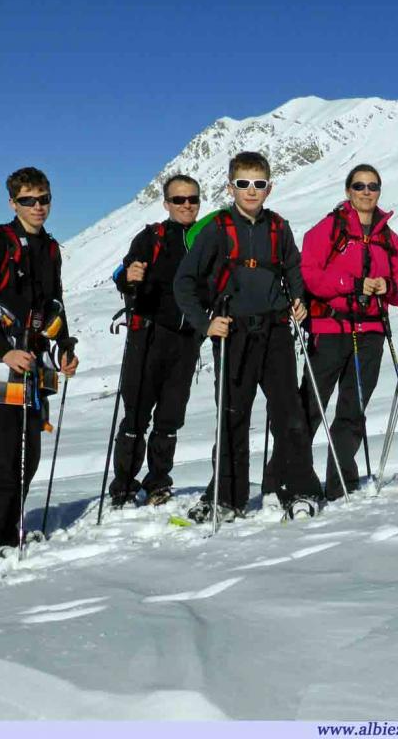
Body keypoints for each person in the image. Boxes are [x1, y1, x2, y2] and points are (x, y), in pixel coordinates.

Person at [174, 151, 321, 522]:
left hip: (275, 331)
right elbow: (185, 282)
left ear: (269, 188)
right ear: (230, 187)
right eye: (243, 184)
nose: (251, 191)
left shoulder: (278, 228)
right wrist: (205, 323)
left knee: (289, 413)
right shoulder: (217, 229)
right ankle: (227, 496)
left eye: (258, 184)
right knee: (232, 415)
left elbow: (293, 269)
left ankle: (299, 489)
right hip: (234, 332)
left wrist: (299, 301)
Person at [0, 167, 78, 567]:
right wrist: (6, 350)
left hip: (32, 354)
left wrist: (64, 347)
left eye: (43, 199)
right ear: (13, 203)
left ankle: (6, 531)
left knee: (27, 451)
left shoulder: (51, 249)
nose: (37, 207)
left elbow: (53, 304)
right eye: (28, 200)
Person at [300, 165, 398, 499]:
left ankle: (341, 484)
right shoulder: (327, 229)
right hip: (330, 328)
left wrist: (386, 286)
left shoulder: (388, 238)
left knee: (353, 409)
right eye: (359, 186)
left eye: (373, 186)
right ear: (348, 190)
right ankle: (290, 479)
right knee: (310, 407)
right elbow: (310, 276)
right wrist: (352, 284)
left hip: (371, 332)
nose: (366, 192)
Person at [107, 174, 206, 508]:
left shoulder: (206, 239)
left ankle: (158, 482)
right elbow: (123, 274)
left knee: (170, 416)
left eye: (192, 199)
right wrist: (129, 276)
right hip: (148, 335)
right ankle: (123, 484)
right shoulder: (151, 237)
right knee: (136, 414)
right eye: (179, 200)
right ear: (167, 204)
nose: (187, 205)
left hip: (187, 339)